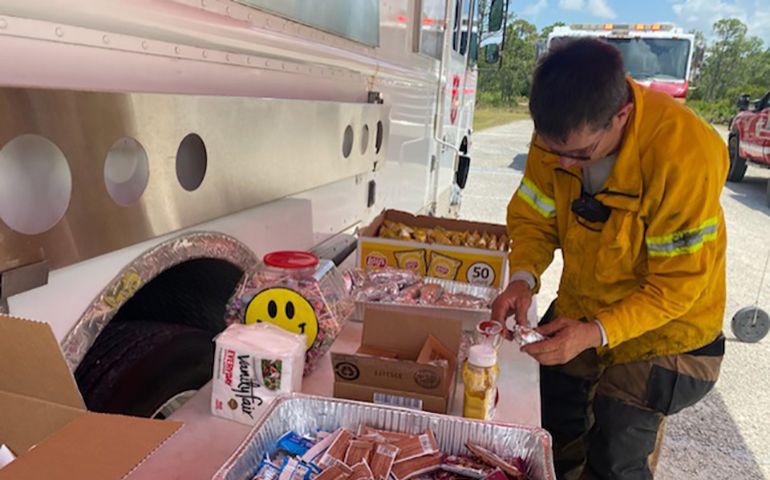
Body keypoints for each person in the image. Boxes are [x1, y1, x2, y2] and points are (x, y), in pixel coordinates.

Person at [491, 38, 727, 480]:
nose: (563, 163)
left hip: (669, 334)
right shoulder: (560, 136)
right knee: (551, 421)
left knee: (616, 445)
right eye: (552, 150)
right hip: (586, 306)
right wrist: (522, 277)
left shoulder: (684, 155)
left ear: (622, 116)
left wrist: (596, 333)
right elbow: (534, 219)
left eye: (580, 155)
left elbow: (675, 287)